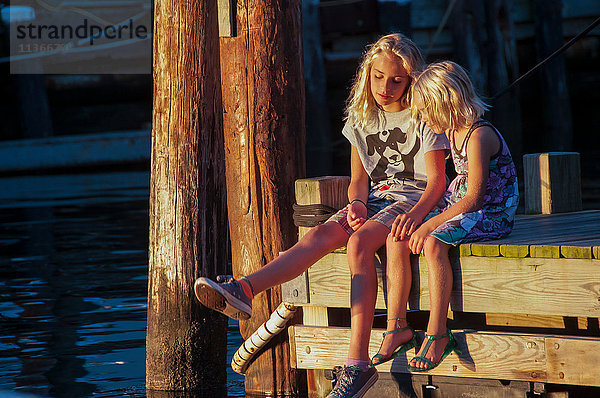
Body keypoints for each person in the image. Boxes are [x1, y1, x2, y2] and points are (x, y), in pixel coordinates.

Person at [194, 33, 450, 397]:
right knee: (318, 236)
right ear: (367, 73)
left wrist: (419, 214)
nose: (385, 87)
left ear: (411, 80)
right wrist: (357, 204)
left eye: (396, 80)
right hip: (377, 201)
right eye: (378, 76)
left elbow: (437, 183)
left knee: (359, 244)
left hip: (414, 202)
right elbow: (359, 182)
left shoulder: (425, 115)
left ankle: (356, 364)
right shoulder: (361, 118)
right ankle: (245, 288)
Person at [384, 60, 519, 373]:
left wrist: (432, 224)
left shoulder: (479, 136)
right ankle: (396, 324)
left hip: (492, 209)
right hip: (462, 201)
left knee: (432, 244)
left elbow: (474, 197)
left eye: (426, 111)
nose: (422, 118)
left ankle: (437, 331)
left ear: (446, 104)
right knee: (399, 234)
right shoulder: (452, 132)